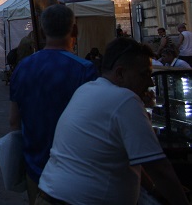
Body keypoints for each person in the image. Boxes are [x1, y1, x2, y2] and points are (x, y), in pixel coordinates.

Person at [38, 38, 187, 205]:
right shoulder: (125, 99)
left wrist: (153, 189)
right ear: (120, 73)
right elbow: (158, 168)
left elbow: (139, 158)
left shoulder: (86, 90)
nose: (150, 82)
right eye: (144, 74)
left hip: (50, 194)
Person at [9, 4, 98, 204]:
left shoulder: (23, 67)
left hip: (34, 163)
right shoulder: (85, 70)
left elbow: (14, 120)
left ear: (42, 31)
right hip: (75, 168)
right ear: (74, 30)